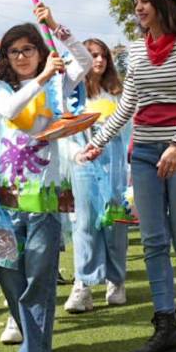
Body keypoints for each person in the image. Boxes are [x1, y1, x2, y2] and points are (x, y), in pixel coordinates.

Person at [78, 0, 176, 352]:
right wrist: (98, 142)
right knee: (153, 239)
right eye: (134, 2)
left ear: (162, 3)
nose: (137, 9)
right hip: (145, 154)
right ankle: (164, 323)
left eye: (144, 1)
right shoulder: (135, 50)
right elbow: (128, 105)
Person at [0, 6, 89, 352]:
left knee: (39, 276)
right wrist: (43, 77)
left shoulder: (57, 84)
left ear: (41, 52)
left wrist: (55, 26)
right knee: (8, 271)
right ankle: (32, 340)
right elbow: (12, 110)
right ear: (6, 57)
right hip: (4, 198)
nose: (23, 56)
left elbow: (85, 60)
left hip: (44, 197)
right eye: (15, 51)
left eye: (30, 49)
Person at [65, 39, 132, 314]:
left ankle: (116, 280)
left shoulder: (118, 92)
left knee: (115, 219)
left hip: (114, 161)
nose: (100, 60)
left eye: (103, 55)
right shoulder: (73, 92)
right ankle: (84, 283)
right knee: (86, 222)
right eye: (93, 55)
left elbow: (129, 130)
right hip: (83, 160)